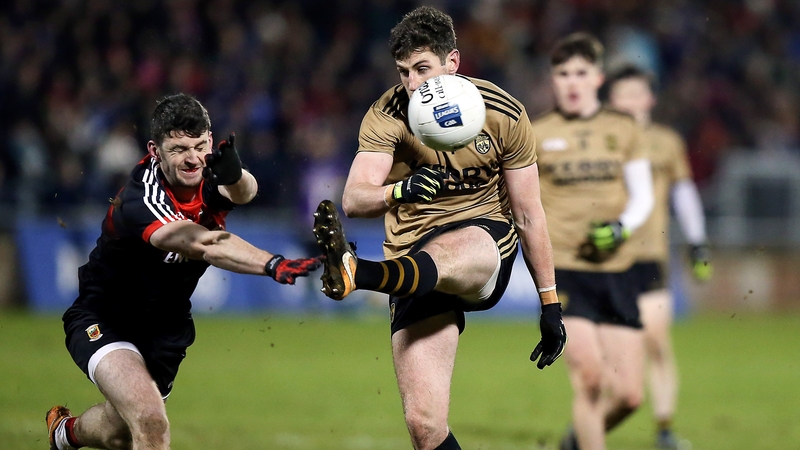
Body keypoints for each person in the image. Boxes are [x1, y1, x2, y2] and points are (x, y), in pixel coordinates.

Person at [312, 6, 566, 450]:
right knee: (425, 427)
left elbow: (528, 214)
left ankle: (360, 273)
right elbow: (354, 198)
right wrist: (400, 191)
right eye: (405, 71)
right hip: (411, 262)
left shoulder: (504, 113)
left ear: (453, 62)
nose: (413, 83)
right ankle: (363, 272)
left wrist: (550, 303)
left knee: (452, 249)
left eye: (423, 68)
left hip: (484, 240)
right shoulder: (387, 114)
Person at [46, 93, 322, 450]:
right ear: (155, 150)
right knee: (150, 421)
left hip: (166, 328)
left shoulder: (208, 169)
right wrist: (271, 263)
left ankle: (64, 434)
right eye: (178, 149)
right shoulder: (142, 197)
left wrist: (235, 174)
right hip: (106, 317)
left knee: (120, 433)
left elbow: (245, 192)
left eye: (199, 145)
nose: (192, 159)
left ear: (209, 140)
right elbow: (203, 243)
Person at [530, 33, 655, 450]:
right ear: (552, 79)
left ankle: (577, 439)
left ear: (598, 77)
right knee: (590, 380)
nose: (572, 82)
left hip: (618, 271)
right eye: (563, 73)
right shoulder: (536, 133)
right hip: (566, 269)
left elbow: (643, 196)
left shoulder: (623, 129)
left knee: (631, 396)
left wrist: (621, 227)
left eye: (581, 73)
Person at [607, 65, 712, 449]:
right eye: (623, 94)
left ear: (650, 98)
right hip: (606, 258)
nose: (631, 101)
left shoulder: (666, 142)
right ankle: (596, 421)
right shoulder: (602, 140)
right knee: (610, 351)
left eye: (638, 93)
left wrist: (698, 240)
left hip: (650, 254)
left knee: (656, 340)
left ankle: (664, 427)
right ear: (612, 100)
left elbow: (684, 194)